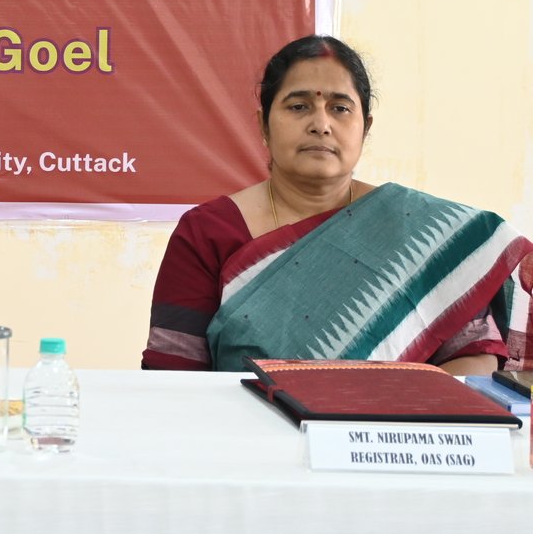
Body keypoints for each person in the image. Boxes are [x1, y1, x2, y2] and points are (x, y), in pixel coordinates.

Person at [143, 35, 532, 373]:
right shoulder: (207, 232)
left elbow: (475, 356)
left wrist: (394, 412)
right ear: (263, 125)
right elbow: (173, 372)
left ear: (366, 127)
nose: (321, 124)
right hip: (244, 431)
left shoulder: (420, 230)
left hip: (396, 432)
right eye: (298, 106)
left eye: (340, 108)